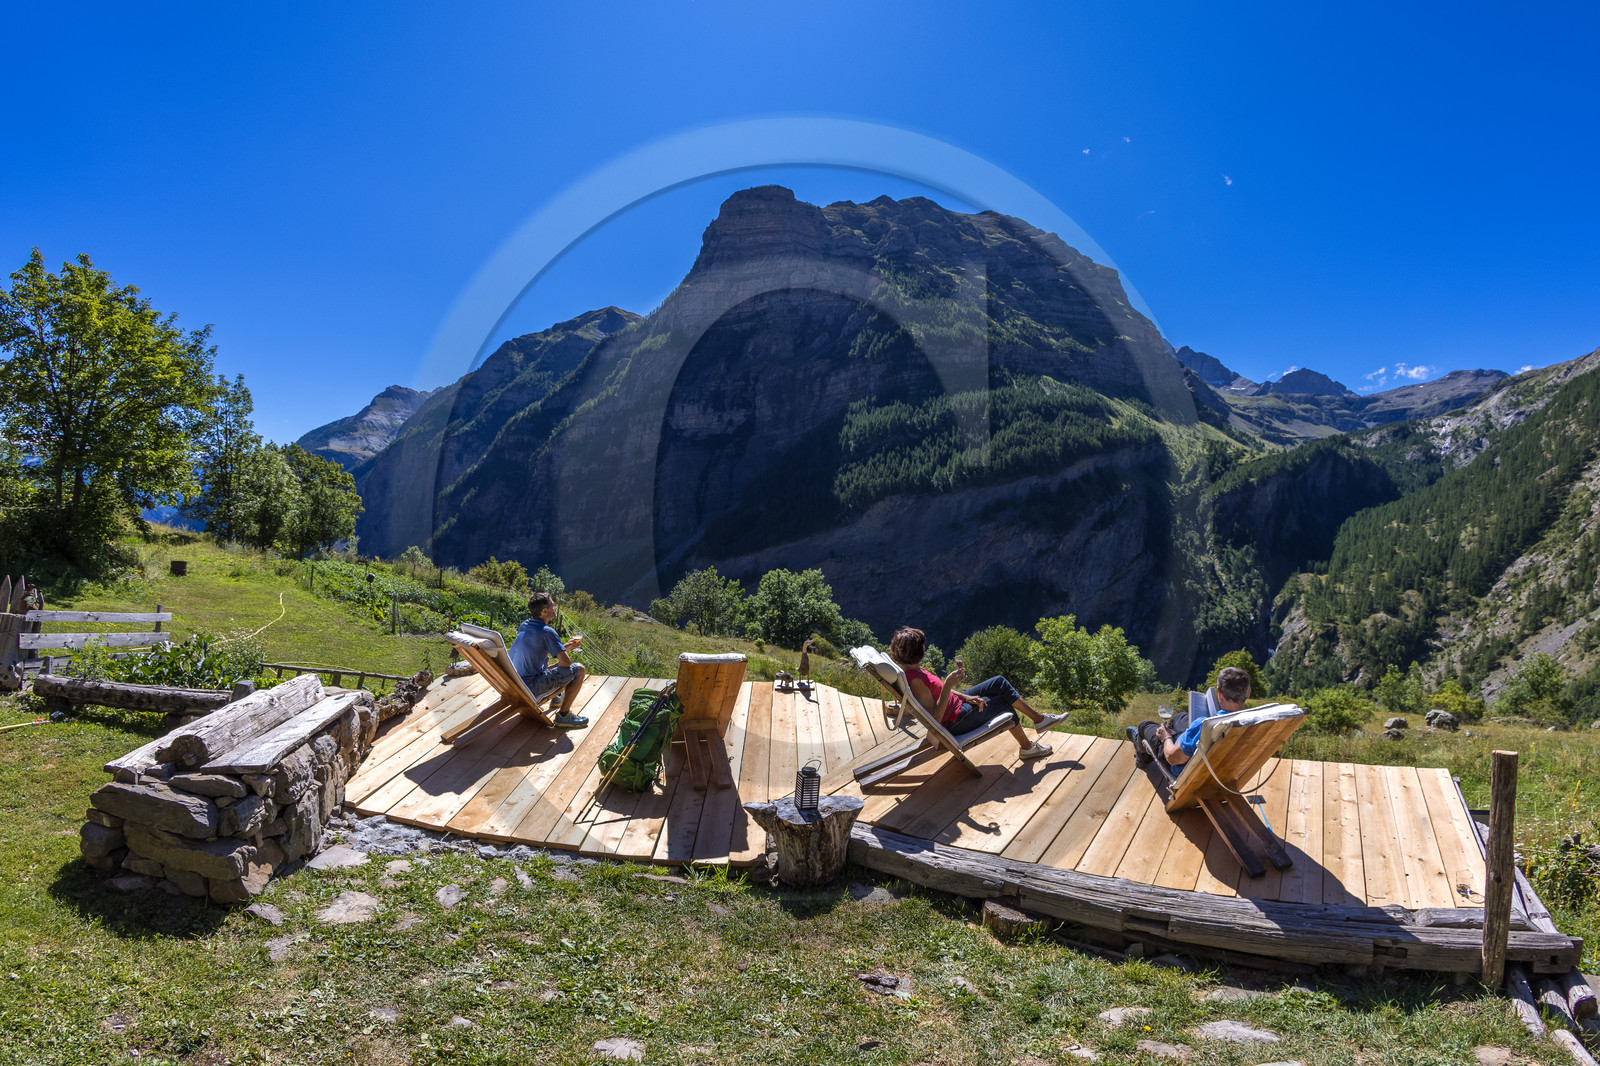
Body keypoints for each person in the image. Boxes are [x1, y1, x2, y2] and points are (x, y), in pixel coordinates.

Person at [887, 626, 1065, 760]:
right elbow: (936, 720)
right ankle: (1027, 748)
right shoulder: (916, 680)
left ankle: (1039, 720)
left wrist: (965, 696)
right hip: (954, 721)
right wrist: (948, 685)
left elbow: (937, 691)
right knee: (1003, 704)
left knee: (998, 682)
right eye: (922, 646)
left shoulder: (912, 669)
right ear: (919, 651)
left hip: (956, 706)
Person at [1127, 666, 1252, 770]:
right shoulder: (1254, 722)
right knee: (1180, 717)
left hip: (1185, 764)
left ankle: (1142, 757)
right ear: (1248, 693)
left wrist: (1166, 737)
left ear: (1219, 693)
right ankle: (1179, 735)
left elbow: (1172, 758)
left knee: (1145, 726)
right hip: (1221, 766)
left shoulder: (1205, 725)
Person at [508, 591, 589, 728]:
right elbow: (566, 664)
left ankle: (556, 697)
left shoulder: (525, 625)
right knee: (579, 669)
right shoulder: (547, 631)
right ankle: (563, 716)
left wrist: (564, 648)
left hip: (515, 682)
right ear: (544, 611)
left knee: (546, 661)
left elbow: (537, 650)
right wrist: (563, 654)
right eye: (552, 605)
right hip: (530, 687)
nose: (555, 607)